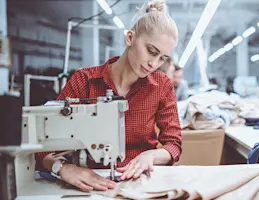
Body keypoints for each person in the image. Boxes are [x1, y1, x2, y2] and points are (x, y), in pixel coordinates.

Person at [36, 0, 182, 192]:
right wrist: (63, 168)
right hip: (89, 181)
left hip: (138, 182)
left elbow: (174, 145)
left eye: (162, 58)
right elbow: (43, 142)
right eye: (151, 51)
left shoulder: (162, 85)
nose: (154, 63)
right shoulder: (84, 81)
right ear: (130, 38)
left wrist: (150, 156)